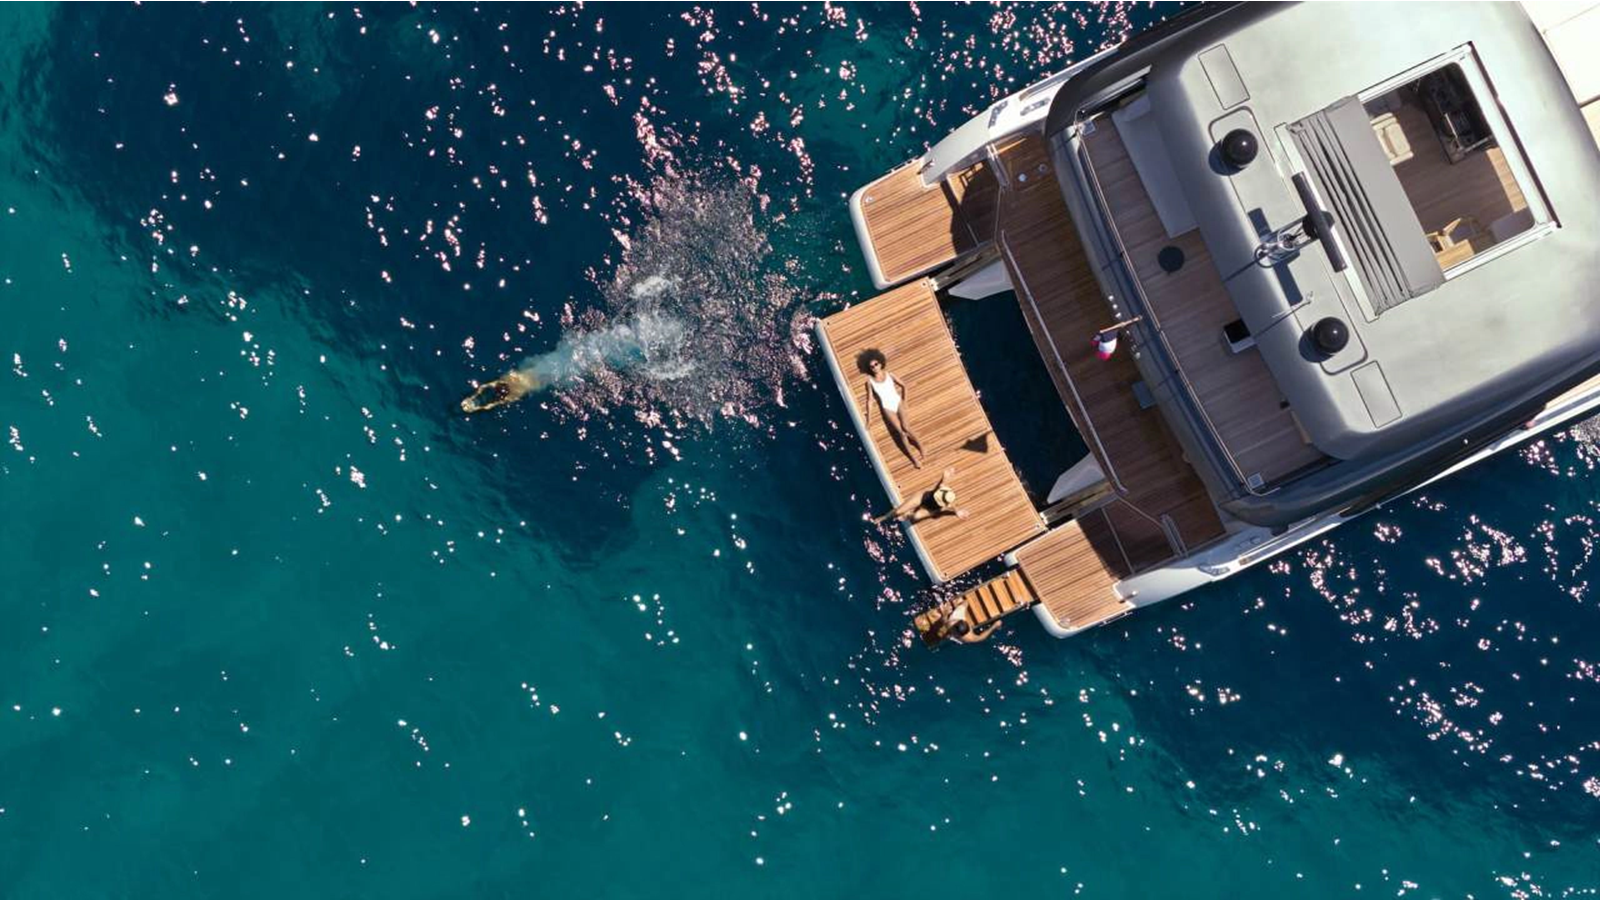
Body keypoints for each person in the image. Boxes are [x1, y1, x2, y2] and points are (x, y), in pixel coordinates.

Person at [857, 348, 924, 468]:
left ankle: (921, 447)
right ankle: (914, 459)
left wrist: (905, 401)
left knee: (906, 428)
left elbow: (904, 386)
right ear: (869, 369)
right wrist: (869, 419)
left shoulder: (889, 374)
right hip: (887, 407)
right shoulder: (870, 382)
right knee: (901, 433)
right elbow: (870, 400)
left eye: (876, 364)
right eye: (872, 366)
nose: (875, 367)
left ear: (880, 364)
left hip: (897, 402)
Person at [874, 467, 969, 525]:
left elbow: (953, 509)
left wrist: (957, 513)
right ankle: (884, 517)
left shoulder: (947, 505)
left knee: (915, 517)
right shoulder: (941, 487)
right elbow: (944, 480)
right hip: (923, 497)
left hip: (931, 509)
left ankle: (908, 515)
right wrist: (947, 473)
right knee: (898, 511)